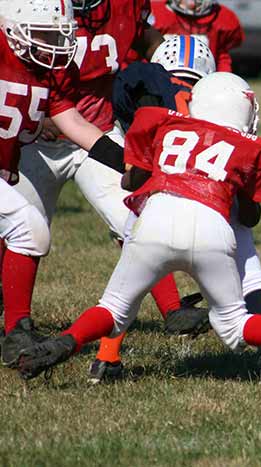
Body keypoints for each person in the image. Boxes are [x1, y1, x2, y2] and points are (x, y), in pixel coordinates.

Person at [16, 72, 261, 380]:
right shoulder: (252, 148)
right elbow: (249, 217)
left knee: (113, 308)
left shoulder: (161, 124)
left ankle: (66, 342)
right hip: (212, 229)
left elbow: (130, 182)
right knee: (236, 325)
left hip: (155, 221)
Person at [6, 0, 210, 367]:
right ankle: (16, 322)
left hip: (93, 130)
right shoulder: (25, 21)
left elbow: (148, 44)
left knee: (137, 218)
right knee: (22, 231)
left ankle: (173, 309)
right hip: (31, 140)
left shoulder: (118, 13)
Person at [92, 35, 261, 385]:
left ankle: (105, 358)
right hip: (217, 205)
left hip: (155, 203)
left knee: (126, 288)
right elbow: (249, 215)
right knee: (251, 278)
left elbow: (133, 173)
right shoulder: (223, 104)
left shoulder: (154, 108)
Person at [0, 0, 152, 367]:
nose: (56, 43)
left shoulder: (52, 69)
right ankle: (15, 329)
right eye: (44, 33)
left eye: (59, 34)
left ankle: (16, 329)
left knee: (26, 229)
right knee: (27, 226)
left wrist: (126, 162)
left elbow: (76, 125)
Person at [150, 0, 244, 72]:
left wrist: (223, 81)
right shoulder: (156, 13)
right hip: (159, 78)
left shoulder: (223, 17)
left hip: (205, 81)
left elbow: (222, 57)